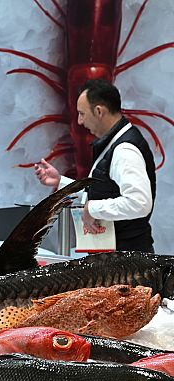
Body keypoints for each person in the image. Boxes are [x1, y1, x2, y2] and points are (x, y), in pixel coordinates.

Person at [35, 78, 155, 252]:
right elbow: (102, 192)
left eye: (82, 114)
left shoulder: (124, 149)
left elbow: (139, 204)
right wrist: (60, 182)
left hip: (126, 259)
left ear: (99, 111)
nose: (79, 122)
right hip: (117, 257)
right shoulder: (113, 142)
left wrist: (93, 209)